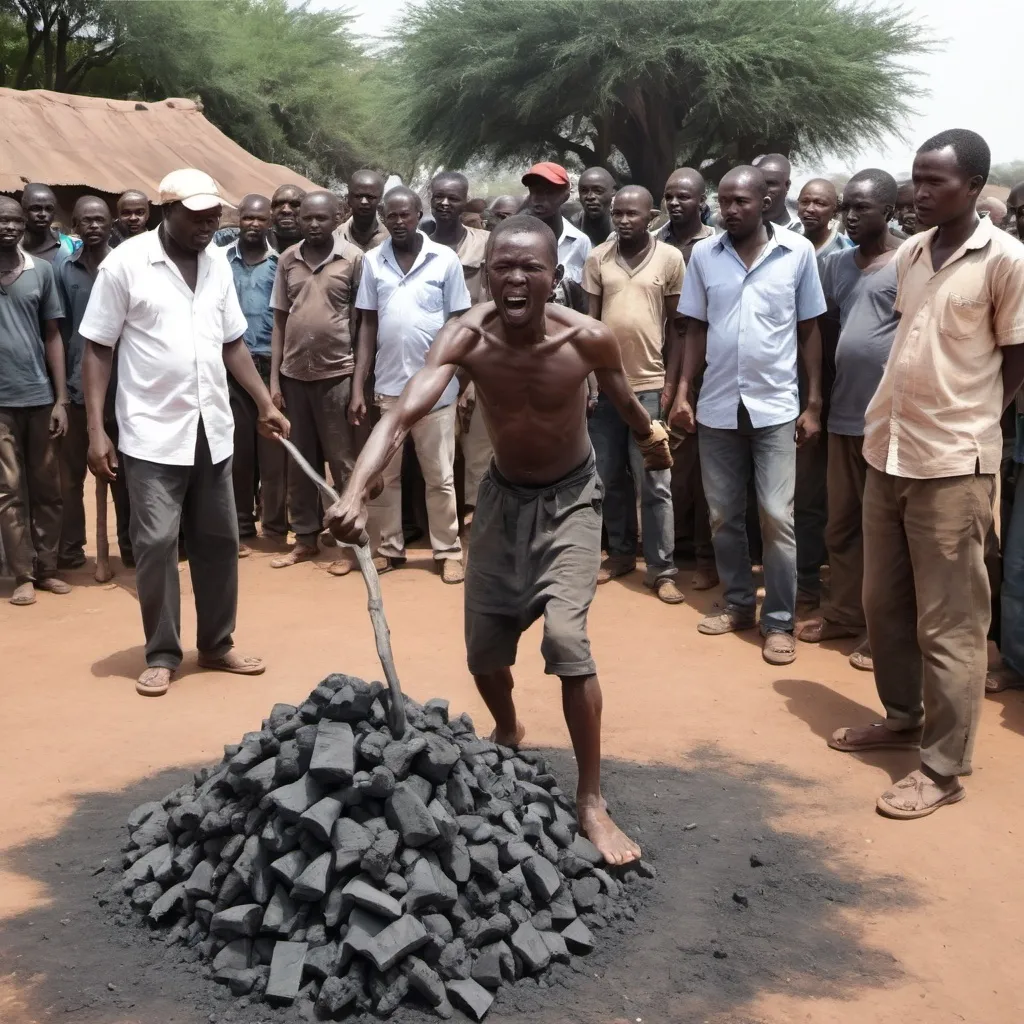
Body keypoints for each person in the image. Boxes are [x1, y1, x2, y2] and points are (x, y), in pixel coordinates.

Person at [326, 214, 672, 864]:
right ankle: (509, 727)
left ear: (555, 277)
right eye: (501, 267)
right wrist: (355, 491)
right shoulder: (467, 337)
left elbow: (624, 401)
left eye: (529, 267)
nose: (514, 278)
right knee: (485, 655)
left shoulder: (588, 339)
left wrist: (652, 443)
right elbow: (401, 413)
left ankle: (591, 800)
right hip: (502, 502)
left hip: (572, 499)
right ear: (485, 276)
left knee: (567, 640)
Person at [829, 129, 1024, 819]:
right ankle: (902, 717)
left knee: (951, 622)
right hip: (890, 449)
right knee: (885, 605)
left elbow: (1016, 356)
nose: (919, 193)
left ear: (974, 187)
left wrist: (976, 423)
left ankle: (943, 768)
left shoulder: (1005, 259)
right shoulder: (912, 252)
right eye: (916, 179)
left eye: (935, 182)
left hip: (952, 462)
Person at [80, 168, 290, 698]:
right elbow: (98, 348)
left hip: (212, 428)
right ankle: (162, 653)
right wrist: (95, 431)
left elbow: (233, 342)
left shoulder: (217, 263)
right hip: (152, 432)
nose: (206, 226)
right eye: (195, 217)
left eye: (212, 217)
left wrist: (264, 402)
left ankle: (217, 644)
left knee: (219, 541)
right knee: (154, 546)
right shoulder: (125, 264)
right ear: (164, 211)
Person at [669, 166, 826, 666]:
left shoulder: (796, 253)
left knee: (778, 515)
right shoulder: (704, 257)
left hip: (776, 405)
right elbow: (694, 328)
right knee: (722, 514)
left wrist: (814, 401)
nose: (731, 209)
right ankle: (739, 604)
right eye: (724, 201)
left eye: (741, 201)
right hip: (716, 406)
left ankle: (778, 621)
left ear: (765, 202)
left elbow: (809, 329)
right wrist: (683, 394)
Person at [796, 169, 901, 671]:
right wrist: (815, 402)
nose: (851, 217)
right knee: (841, 524)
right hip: (843, 414)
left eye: (862, 208)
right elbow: (822, 330)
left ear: (888, 209)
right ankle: (843, 612)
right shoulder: (835, 265)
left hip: (893, 421)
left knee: (885, 532)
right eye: (848, 209)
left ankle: (884, 632)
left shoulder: (910, 260)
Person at [349, 186, 471, 582]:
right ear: (384, 218)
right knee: (386, 476)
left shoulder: (445, 259)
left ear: (420, 214)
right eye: (392, 216)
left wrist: (452, 375)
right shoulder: (372, 261)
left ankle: (447, 550)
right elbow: (367, 324)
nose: (398, 222)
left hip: (435, 390)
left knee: (440, 476)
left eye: (406, 215)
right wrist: (358, 385)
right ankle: (389, 547)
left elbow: (458, 322)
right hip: (388, 387)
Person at [583, 186, 685, 604]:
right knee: (608, 477)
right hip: (605, 388)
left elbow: (679, 330)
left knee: (655, 481)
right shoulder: (597, 258)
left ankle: (662, 569)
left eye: (632, 214)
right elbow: (588, 326)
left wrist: (673, 388)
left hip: (649, 386)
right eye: (617, 213)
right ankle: (622, 553)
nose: (624, 220)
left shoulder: (670, 259)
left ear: (651, 215)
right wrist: (590, 382)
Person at [269, 190, 364, 574]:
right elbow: (279, 319)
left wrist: (357, 384)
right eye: (307, 218)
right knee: (300, 461)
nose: (312, 224)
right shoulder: (287, 260)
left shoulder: (353, 260)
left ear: (336, 218)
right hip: (294, 376)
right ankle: (305, 537)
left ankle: (349, 545)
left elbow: (363, 324)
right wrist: (274, 380)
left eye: (321, 218)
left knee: (342, 463)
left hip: (337, 375)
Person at [0, 196, 70, 606]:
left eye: (13, 220)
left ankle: (48, 568)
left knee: (48, 487)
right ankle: (22, 573)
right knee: (7, 490)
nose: (7, 227)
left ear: (24, 224)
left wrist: (60, 398)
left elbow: (53, 336)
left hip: (39, 396)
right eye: (0, 221)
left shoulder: (41, 272)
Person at [793, 178, 854, 609]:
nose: (811, 208)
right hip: (798, 387)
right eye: (806, 200)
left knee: (846, 493)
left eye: (821, 202)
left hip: (846, 390)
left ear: (836, 210)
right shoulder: (789, 249)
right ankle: (807, 580)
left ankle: (843, 579)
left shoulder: (846, 256)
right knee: (807, 491)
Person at [659, 168, 718, 590]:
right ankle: (671, 550)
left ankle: (706, 557)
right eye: (669, 196)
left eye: (683, 197)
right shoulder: (654, 240)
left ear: (701, 200)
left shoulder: (714, 246)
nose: (675, 203)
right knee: (669, 466)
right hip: (657, 363)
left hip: (703, 366)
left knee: (704, 471)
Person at [223, 195, 288, 553]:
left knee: (273, 453)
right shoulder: (220, 262)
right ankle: (241, 524)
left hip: (268, 365)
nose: (252, 224)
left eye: (259, 219)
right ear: (238, 219)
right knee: (238, 450)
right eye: (246, 217)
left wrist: (277, 377)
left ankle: (276, 526)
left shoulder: (281, 264)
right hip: (230, 368)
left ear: (269, 222)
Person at [428, 171, 494, 516]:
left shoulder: (484, 244)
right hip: (430, 360)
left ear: (464, 201)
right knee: (436, 449)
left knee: (477, 446)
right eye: (438, 195)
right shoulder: (419, 243)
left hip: (475, 360)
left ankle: (476, 526)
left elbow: (488, 307)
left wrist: (470, 375)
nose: (444, 203)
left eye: (453, 198)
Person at [54, 196, 113, 571]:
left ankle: (130, 544)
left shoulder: (125, 265)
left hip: (123, 388)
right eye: (86, 220)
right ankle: (71, 549)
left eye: (100, 220)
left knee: (121, 474)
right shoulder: (63, 270)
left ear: (110, 225)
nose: (93, 226)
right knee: (69, 477)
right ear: (75, 225)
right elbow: (57, 329)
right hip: (76, 386)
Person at [522, 162, 592, 284]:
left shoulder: (580, 242)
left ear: (565, 196)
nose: (539, 199)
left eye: (549, 192)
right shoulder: (515, 238)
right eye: (534, 191)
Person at [20, 183, 77, 263]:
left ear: (54, 213)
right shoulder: (11, 247)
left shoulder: (73, 247)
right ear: (24, 211)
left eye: (49, 209)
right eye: (36, 208)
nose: (42, 214)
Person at [336, 169, 389, 252]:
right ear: (348, 197)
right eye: (358, 196)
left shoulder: (390, 240)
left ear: (380, 199)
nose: (364, 201)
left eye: (370, 197)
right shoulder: (336, 237)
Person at [797, 179, 852, 259]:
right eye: (804, 202)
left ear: (835, 210)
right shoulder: (785, 241)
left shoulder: (844, 256)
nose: (809, 209)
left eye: (820, 203)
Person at [752, 154, 802, 232]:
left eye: (771, 183)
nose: (763, 189)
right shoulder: (736, 223)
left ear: (787, 185)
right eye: (758, 182)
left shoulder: (799, 230)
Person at [574, 167, 616, 247]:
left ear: (613, 191)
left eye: (598, 191)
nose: (590, 197)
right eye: (584, 191)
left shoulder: (622, 230)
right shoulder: (570, 227)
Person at [270, 184, 306, 252]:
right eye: (279, 204)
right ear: (271, 210)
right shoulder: (256, 246)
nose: (286, 210)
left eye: (295, 204)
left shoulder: (322, 248)